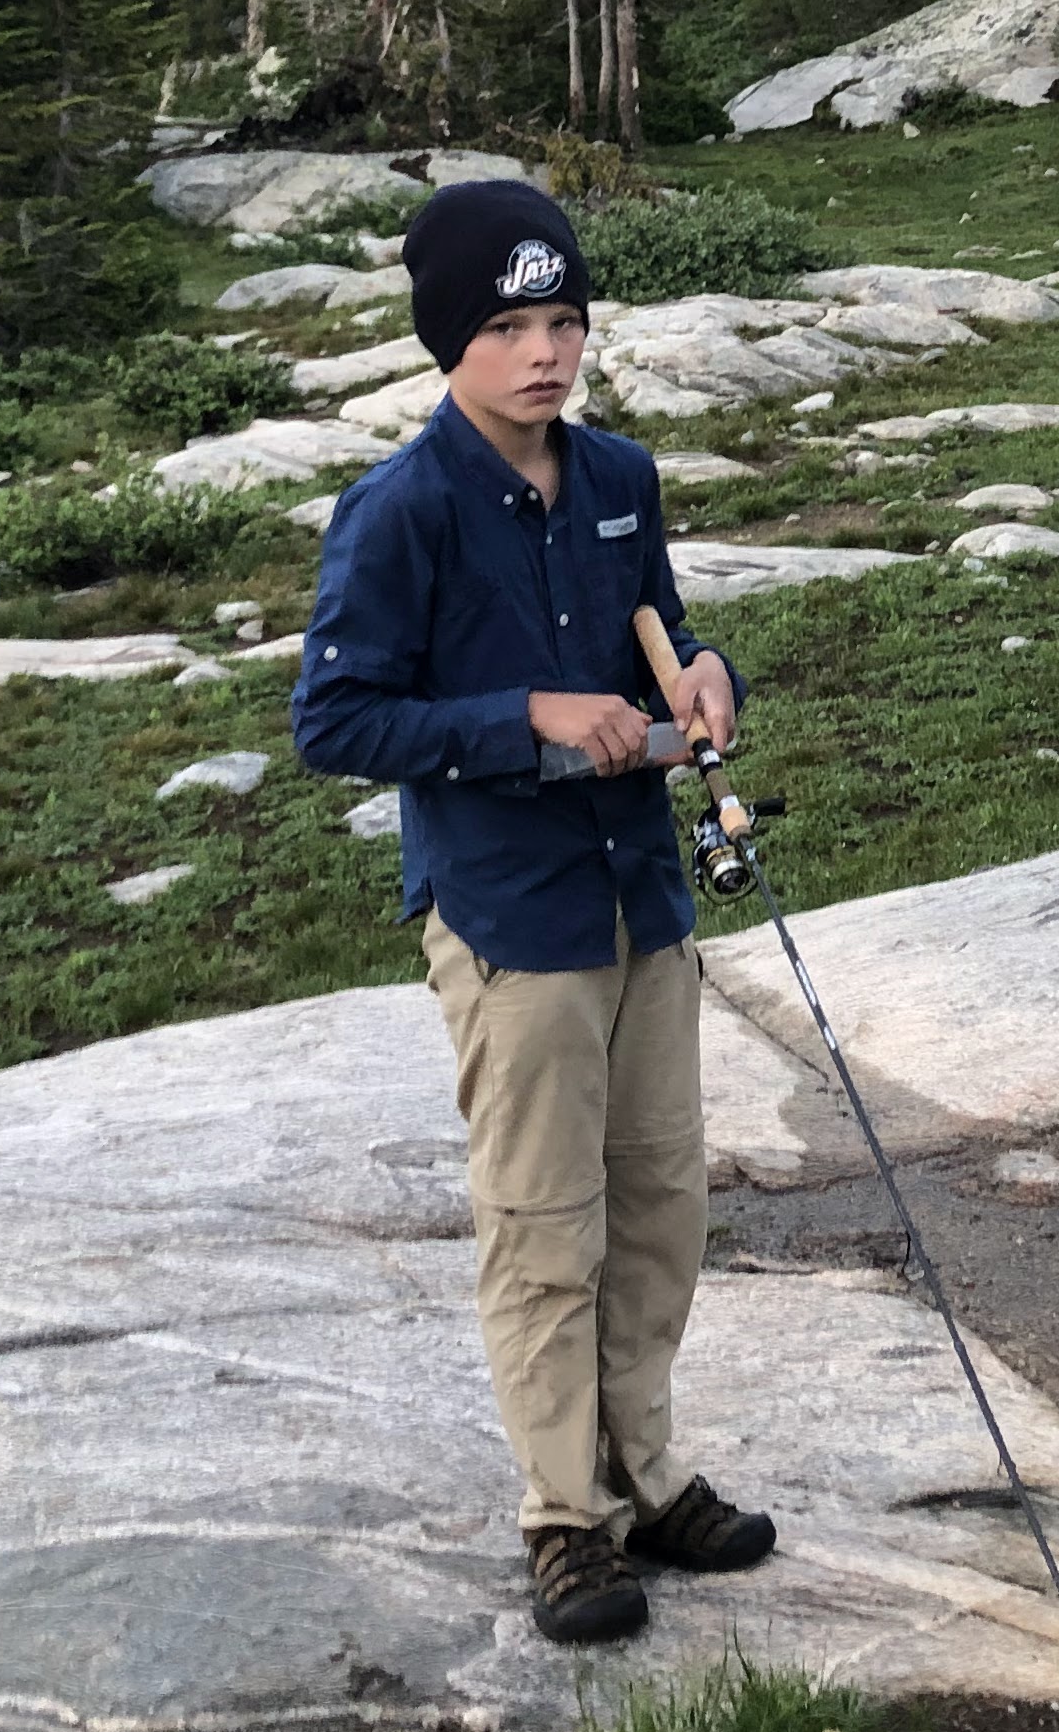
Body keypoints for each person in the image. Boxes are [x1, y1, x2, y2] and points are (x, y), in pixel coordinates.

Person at [290, 177, 778, 1644]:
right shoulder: (402, 511)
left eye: (563, 319)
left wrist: (705, 683)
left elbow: (668, 635)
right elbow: (336, 716)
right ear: (451, 340)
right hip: (513, 920)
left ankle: (651, 1472)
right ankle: (566, 1518)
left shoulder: (619, 475)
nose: (544, 353)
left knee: (661, 1204)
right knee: (542, 1220)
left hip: (643, 900)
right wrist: (530, 719)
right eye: (506, 326)